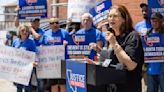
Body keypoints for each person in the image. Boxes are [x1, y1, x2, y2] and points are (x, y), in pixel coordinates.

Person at [87, 5, 144, 92]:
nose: (111, 19)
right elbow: (111, 61)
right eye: (109, 16)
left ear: (124, 19)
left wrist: (114, 43)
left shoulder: (133, 36)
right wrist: (97, 64)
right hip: (111, 87)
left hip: (128, 87)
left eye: (115, 16)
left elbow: (130, 65)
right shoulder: (112, 36)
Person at [41, 17, 69, 92]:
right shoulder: (46, 34)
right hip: (52, 64)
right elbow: (41, 46)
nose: (55, 24)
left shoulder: (65, 33)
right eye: (52, 23)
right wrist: (42, 47)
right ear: (49, 25)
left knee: (63, 84)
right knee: (53, 84)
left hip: (63, 62)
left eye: (57, 22)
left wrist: (67, 44)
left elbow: (73, 45)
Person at [12, 25, 37, 92]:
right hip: (18, 68)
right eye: (22, 30)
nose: (25, 32)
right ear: (19, 32)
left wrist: (35, 62)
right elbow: (12, 54)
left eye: (26, 30)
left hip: (28, 68)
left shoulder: (31, 42)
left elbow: (35, 54)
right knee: (19, 86)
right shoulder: (15, 41)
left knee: (27, 86)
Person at [145, 12, 164, 92]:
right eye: (152, 21)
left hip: (162, 70)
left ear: (161, 22)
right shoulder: (147, 34)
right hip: (151, 70)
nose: (154, 23)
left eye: (156, 21)